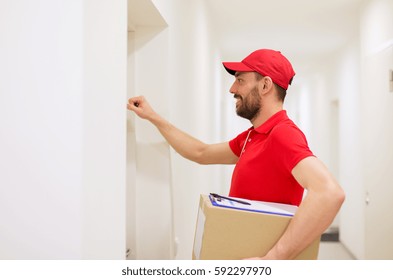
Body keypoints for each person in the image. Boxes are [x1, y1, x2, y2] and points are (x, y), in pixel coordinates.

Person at [127, 49, 345, 260]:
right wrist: (153, 117)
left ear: (265, 85)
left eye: (240, 80)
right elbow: (201, 152)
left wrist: (274, 258)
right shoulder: (253, 136)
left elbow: (329, 193)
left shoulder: (283, 134)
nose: (232, 89)